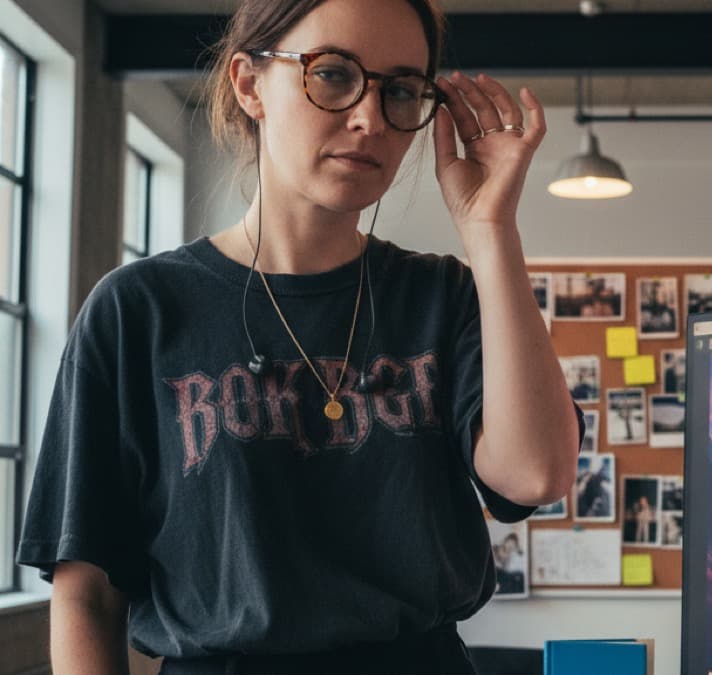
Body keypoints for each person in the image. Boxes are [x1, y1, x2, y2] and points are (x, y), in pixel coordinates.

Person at [15, 1, 583, 673]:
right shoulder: (138, 310)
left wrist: (492, 230)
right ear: (250, 84)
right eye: (334, 74)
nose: (370, 118)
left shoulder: (442, 297)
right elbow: (87, 594)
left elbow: (536, 472)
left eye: (400, 90)